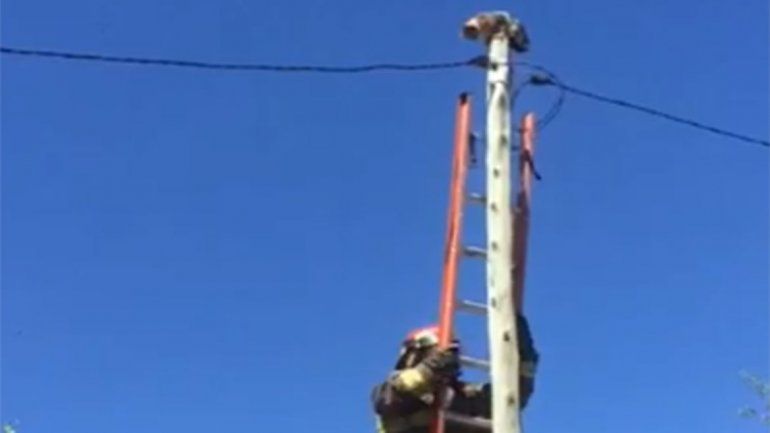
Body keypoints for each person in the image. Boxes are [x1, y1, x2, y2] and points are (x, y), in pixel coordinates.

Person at [371, 315, 538, 433]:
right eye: (432, 352)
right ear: (413, 355)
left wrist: (524, 364)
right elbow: (391, 396)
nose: (438, 357)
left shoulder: (461, 397)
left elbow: (508, 400)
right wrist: (429, 371)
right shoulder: (391, 392)